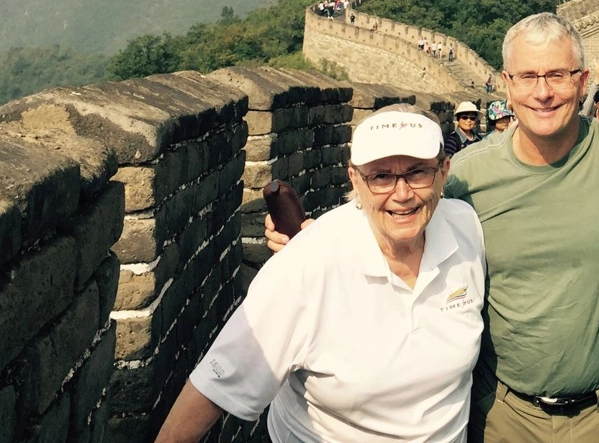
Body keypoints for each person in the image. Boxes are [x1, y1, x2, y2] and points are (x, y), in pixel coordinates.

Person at [267, 13, 599, 442]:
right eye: (528, 77)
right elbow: (396, 209)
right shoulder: (467, 176)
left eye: (558, 76)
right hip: (504, 416)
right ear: (506, 83)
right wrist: (321, 240)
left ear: (582, 83)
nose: (544, 93)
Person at [156, 106, 485, 442]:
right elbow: (215, 386)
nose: (402, 195)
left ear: (443, 171)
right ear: (355, 178)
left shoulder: (466, 228)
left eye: (418, 173)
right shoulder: (309, 264)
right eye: (381, 176)